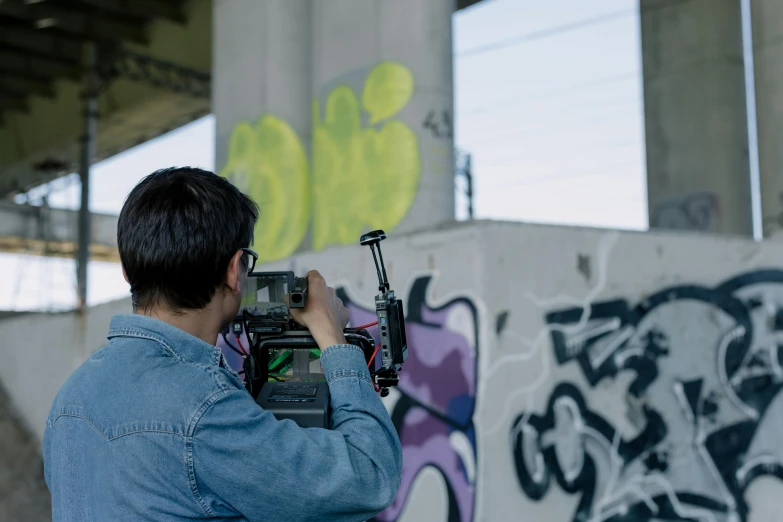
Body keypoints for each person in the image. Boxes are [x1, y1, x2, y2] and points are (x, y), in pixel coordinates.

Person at [43, 167, 402, 521]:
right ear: (235, 271)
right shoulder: (203, 409)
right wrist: (331, 337)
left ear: (127, 270)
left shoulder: (70, 400)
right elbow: (369, 476)